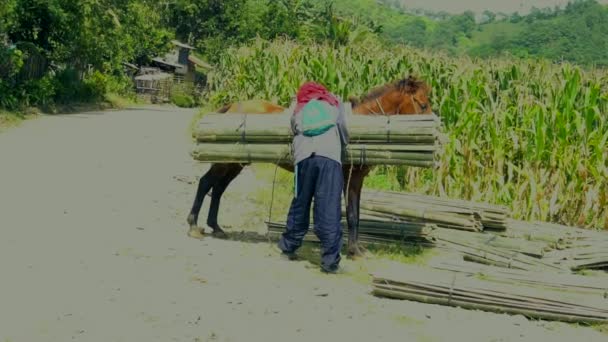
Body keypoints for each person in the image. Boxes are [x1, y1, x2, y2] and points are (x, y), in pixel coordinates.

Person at [277, 81, 349, 274]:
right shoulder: (334, 101)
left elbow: (293, 126)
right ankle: (329, 261)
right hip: (329, 157)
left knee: (300, 201)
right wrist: (342, 145)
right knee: (328, 206)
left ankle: (288, 248)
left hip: (303, 157)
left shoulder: (299, 104)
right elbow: (342, 127)